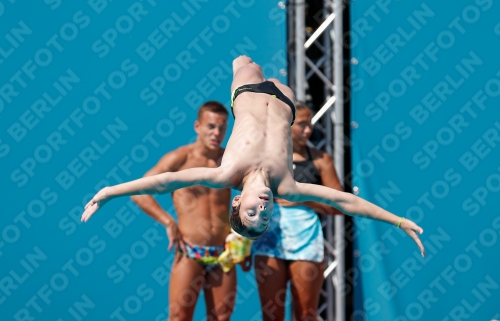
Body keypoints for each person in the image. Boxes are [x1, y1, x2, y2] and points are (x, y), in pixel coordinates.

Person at [81, 56, 425, 259]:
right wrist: (397, 220)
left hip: (247, 92)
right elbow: (345, 201)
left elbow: (164, 182)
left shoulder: (224, 174)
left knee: (247, 63)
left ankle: (241, 61)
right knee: (279, 80)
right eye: (265, 214)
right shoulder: (287, 186)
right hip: (284, 101)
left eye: (252, 211)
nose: (262, 207)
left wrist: (111, 191)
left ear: (236, 203)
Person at [129, 101, 247, 321]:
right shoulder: (181, 158)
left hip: (223, 252)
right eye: (211, 126)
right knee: (179, 317)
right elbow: (139, 192)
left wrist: (245, 237)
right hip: (190, 251)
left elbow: (253, 193)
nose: (217, 133)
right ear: (197, 126)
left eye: (222, 127)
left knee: (222, 317)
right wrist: (168, 222)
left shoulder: (229, 160)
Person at [252, 102, 343, 320]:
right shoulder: (265, 158)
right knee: (272, 314)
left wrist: (304, 201)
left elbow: (339, 205)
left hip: (306, 242)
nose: (308, 130)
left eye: (310, 124)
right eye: (302, 124)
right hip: (269, 241)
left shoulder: (321, 160)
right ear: (286, 125)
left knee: (306, 314)